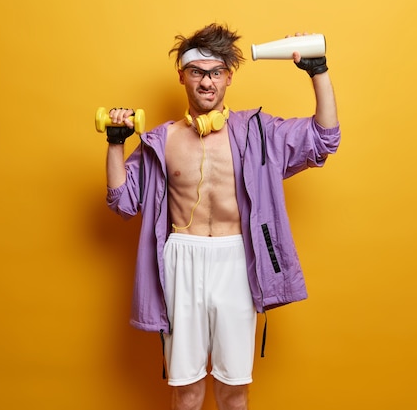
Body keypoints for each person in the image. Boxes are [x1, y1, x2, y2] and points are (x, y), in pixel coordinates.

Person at [104, 23, 340, 410]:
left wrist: (319, 71)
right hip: (181, 259)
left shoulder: (259, 133)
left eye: (215, 72)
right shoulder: (161, 141)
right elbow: (123, 202)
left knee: (234, 392)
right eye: (197, 72)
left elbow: (324, 138)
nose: (207, 82)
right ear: (182, 75)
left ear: (229, 76)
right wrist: (116, 142)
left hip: (237, 261)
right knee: (187, 392)